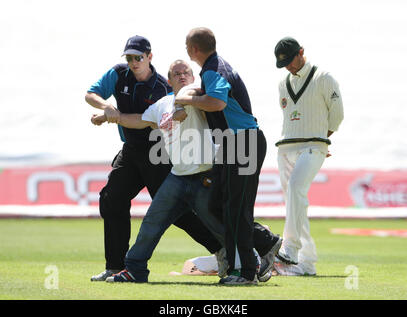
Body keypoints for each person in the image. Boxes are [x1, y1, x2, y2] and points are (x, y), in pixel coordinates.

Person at [91, 60, 282, 284]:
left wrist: (182, 104)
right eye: (176, 73)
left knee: (219, 223)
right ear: (168, 79)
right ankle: (135, 269)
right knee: (152, 222)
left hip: (205, 175)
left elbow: (191, 91)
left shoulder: (197, 97)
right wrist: (109, 117)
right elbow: (140, 120)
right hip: (177, 176)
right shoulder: (162, 104)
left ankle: (253, 257)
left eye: (186, 72)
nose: (182, 76)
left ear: (193, 78)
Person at [85, 35, 223, 281]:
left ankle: (222, 250)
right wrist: (107, 110)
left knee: (178, 211)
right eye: (129, 57)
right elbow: (91, 94)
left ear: (150, 57)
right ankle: (115, 266)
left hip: (157, 152)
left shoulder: (163, 85)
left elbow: (177, 106)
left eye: (138, 57)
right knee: (111, 198)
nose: (133, 62)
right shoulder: (119, 74)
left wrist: (112, 116)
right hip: (130, 150)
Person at [175, 28, 271, 285]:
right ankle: (253, 256)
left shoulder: (213, 68)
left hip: (243, 142)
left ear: (194, 49)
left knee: (236, 210)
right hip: (234, 143)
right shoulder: (214, 67)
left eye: (187, 46)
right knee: (220, 205)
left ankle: (247, 272)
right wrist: (191, 96)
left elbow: (217, 102)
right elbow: (212, 96)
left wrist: (189, 101)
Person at [273, 37, 344, 276]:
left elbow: (337, 114)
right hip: (286, 147)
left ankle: (290, 249)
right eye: (283, 63)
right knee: (294, 201)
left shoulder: (324, 77)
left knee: (295, 190)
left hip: (313, 146)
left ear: (301, 52)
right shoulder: (283, 82)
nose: (288, 66)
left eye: (290, 60)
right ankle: (307, 262)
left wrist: (320, 139)